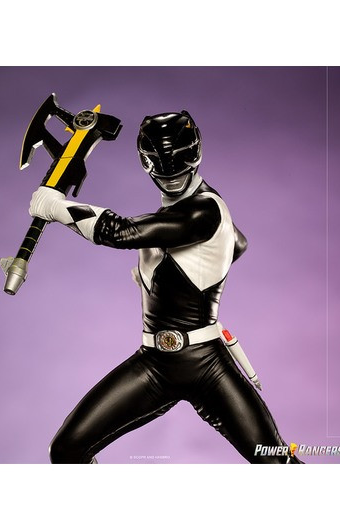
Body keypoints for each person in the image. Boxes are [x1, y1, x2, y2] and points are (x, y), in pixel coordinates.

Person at [29, 111, 301, 463]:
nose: (171, 177)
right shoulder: (188, 211)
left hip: (206, 365)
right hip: (155, 363)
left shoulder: (204, 211)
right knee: (66, 449)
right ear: (147, 163)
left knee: (276, 463)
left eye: (179, 167)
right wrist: (167, 280)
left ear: (195, 155)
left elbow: (120, 232)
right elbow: (238, 243)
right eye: (162, 169)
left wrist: (56, 206)